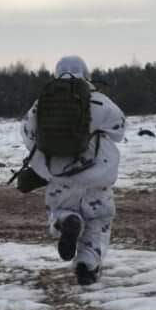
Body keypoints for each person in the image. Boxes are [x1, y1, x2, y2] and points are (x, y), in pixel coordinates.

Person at [18, 56, 126, 286]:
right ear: (86, 73)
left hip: (58, 175)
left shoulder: (43, 102)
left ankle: (68, 221)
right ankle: (87, 265)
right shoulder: (99, 101)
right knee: (98, 221)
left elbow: (28, 134)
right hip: (97, 175)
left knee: (59, 211)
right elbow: (119, 128)